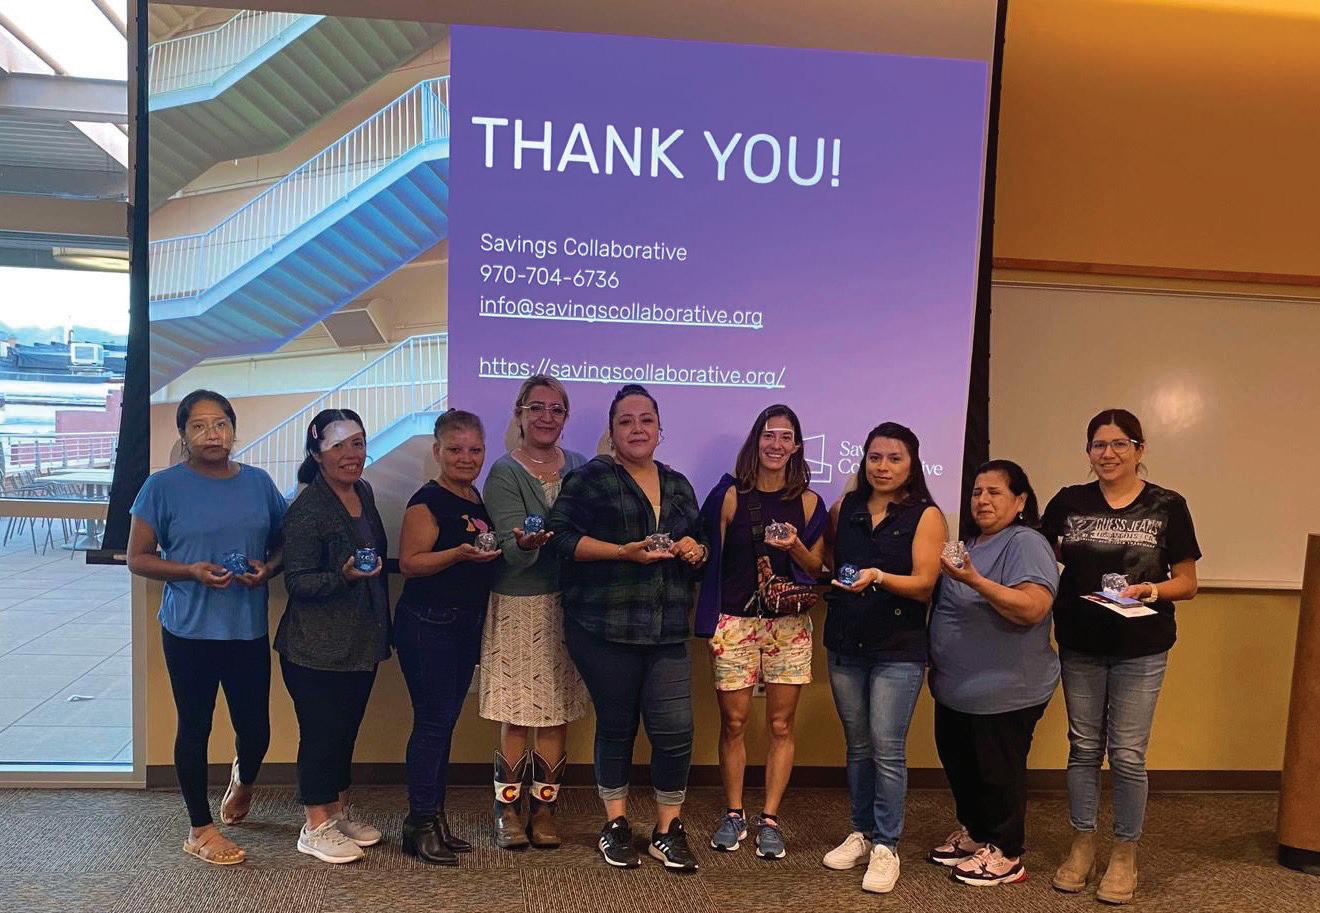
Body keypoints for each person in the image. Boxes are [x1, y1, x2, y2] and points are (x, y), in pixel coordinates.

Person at [547, 384, 708, 873]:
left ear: (660, 429)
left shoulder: (678, 483)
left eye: (646, 420)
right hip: (604, 627)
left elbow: (699, 544)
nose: (637, 428)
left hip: (667, 629)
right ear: (612, 432)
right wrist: (622, 552)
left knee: (675, 731)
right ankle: (615, 824)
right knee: (617, 727)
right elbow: (560, 540)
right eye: (626, 421)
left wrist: (696, 551)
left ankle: (667, 830)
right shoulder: (590, 479)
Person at [1043, 409, 1200, 904]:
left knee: (1128, 754)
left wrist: (1151, 590)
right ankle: (1083, 843)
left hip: (1141, 647)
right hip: (1080, 642)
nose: (1108, 453)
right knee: (1083, 748)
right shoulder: (1068, 501)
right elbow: (1041, 553)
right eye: (1098, 445)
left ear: (1139, 449)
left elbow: (1188, 583)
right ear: (1088, 451)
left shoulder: (1168, 505)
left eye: (1119, 444)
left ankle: (1125, 852)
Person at [127, 389, 286, 866]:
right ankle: (199, 828)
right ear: (183, 435)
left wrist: (267, 569)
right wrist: (190, 571)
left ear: (233, 430)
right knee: (194, 726)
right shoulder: (161, 486)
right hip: (189, 630)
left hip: (246, 627)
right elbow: (138, 558)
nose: (211, 434)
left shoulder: (259, 483)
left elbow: (283, 545)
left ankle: (243, 781)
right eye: (198, 426)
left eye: (220, 424)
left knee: (255, 730)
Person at [696, 404, 827, 859]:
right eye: (769, 435)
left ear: (797, 446)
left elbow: (817, 568)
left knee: (780, 724)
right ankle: (734, 813)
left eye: (786, 436)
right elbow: (704, 554)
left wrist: (794, 545)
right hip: (735, 622)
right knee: (733, 722)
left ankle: (769, 818)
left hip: (787, 626)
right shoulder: (729, 495)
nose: (776, 444)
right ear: (756, 441)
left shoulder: (809, 502)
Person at [821, 422, 944, 894]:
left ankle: (887, 846)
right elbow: (829, 565)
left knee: (887, 748)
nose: (883, 466)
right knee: (858, 746)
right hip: (846, 642)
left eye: (894, 458)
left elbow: (925, 583)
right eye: (875, 457)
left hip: (898, 648)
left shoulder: (926, 515)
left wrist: (877, 576)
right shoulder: (845, 508)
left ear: (912, 464)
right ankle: (861, 832)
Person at [927, 460, 1060, 886]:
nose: (982, 500)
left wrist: (975, 580)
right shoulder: (969, 543)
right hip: (956, 689)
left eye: (994, 492)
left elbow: (1033, 607)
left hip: (1006, 690)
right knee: (962, 766)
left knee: (998, 773)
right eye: (976, 492)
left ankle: (1006, 853)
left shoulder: (1026, 542)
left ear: (1020, 501)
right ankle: (977, 834)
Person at [276, 409, 390, 865]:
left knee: (345, 732)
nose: (351, 454)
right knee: (321, 735)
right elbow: (298, 582)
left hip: (360, 642)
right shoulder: (308, 509)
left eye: (357, 443)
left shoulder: (364, 491)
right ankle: (314, 825)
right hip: (315, 648)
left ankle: (337, 814)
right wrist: (343, 576)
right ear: (317, 453)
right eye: (338, 445)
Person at [480, 375, 588, 849]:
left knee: (556, 711)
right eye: (536, 408)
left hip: (569, 605)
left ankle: (544, 811)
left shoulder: (581, 466)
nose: (547, 417)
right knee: (517, 713)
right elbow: (510, 545)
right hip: (518, 603)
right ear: (519, 414)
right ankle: (507, 811)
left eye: (556, 409)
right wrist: (525, 545)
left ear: (565, 417)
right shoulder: (504, 472)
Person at [396, 410, 501, 866]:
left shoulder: (474, 496)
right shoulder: (427, 501)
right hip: (428, 625)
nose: (465, 457)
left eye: (474, 450)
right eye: (455, 449)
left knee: (444, 723)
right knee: (433, 724)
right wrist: (456, 554)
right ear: (437, 451)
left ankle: (434, 820)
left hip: (463, 624)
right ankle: (419, 824)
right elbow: (409, 563)